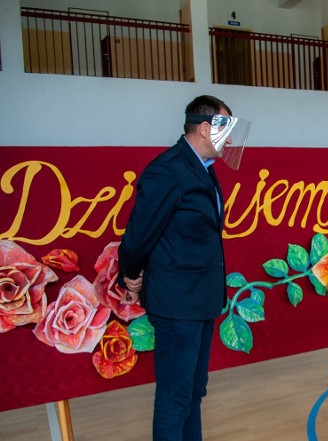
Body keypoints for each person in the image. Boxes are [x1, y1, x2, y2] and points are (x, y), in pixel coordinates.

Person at [118, 95, 246, 441]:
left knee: (193, 392)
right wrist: (130, 275)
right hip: (177, 305)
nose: (231, 140)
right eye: (226, 130)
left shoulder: (201, 170)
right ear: (205, 128)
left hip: (199, 302)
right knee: (175, 397)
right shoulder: (168, 170)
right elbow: (137, 236)